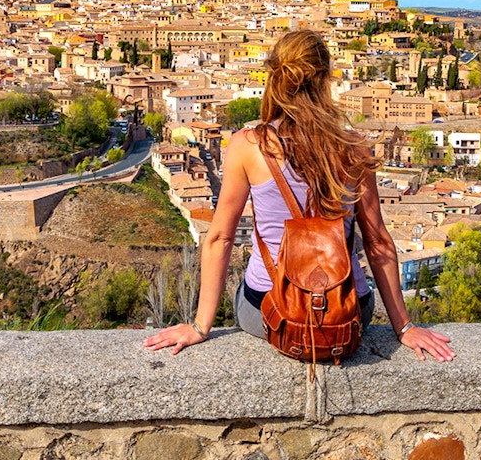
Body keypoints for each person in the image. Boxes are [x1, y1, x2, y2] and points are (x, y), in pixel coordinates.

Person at [143, 30, 453, 362]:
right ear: (325, 80)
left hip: (271, 308)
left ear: (275, 78)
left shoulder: (249, 146)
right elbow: (377, 242)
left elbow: (220, 238)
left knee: (245, 297)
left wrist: (200, 326)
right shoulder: (353, 148)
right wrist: (404, 327)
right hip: (346, 311)